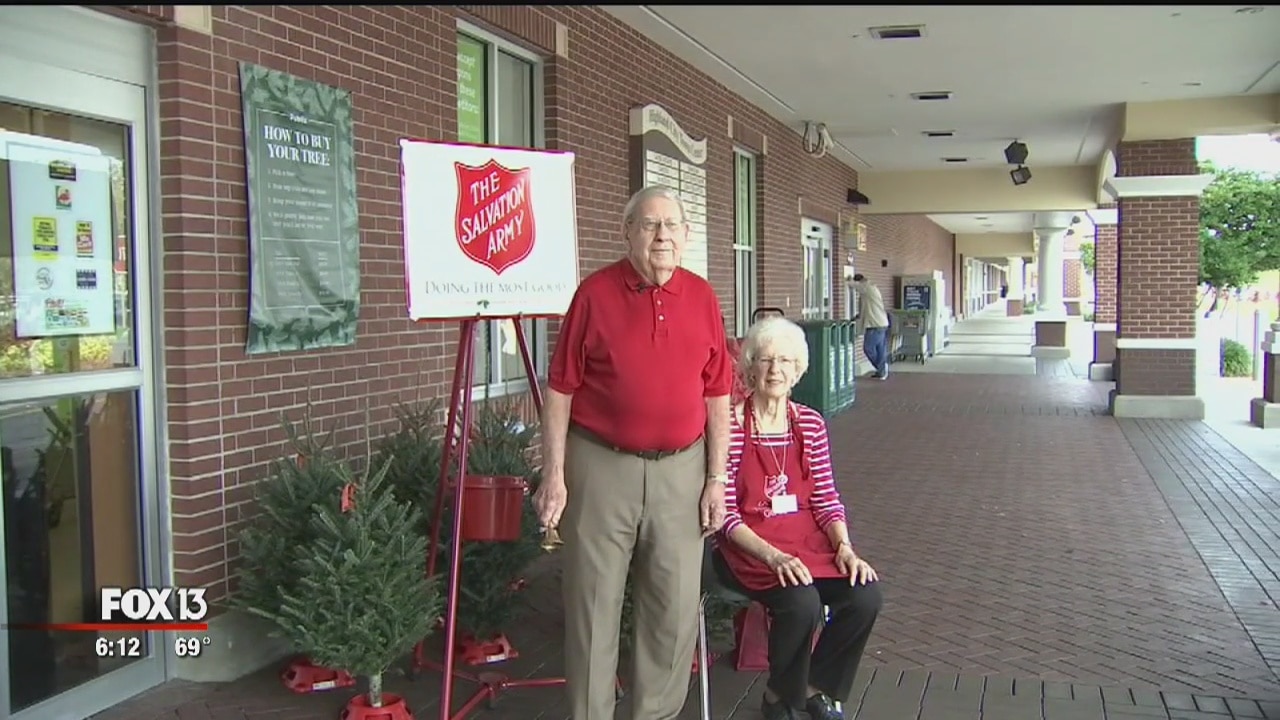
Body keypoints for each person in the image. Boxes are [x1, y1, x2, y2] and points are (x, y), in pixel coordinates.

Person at [534, 185, 733, 720]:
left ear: (687, 235)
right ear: (627, 233)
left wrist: (717, 478)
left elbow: (717, 395)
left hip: (682, 472)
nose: (661, 235)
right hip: (601, 466)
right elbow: (561, 389)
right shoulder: (594, 294)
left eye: (671, 225)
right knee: (594, 608)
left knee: (671, 613)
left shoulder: (703, 297)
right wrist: (553, 473)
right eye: (648, 225)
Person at [714, 316, 882, 720]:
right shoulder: (731, 427)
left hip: (808, 544)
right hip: (749, 548)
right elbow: (724, 515)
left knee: (865, 596)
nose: (775, 370)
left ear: (798, 370)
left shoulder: (810, 423)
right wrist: (773, 557)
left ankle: (811, 688)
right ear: (749, 366)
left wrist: (844, 547)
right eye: (766, 360)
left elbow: (826, 499)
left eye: (785, 362)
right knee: (802, 603)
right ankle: (780, 699)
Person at [850, 274, 890, 380]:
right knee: (880, 349)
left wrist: (846, 279)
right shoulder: (870, 290)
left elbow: (852, 285)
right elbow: (867, 308)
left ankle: (881, 368)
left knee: (868, 348)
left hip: (874, 324)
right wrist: (857, 317)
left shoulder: (867, 287)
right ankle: (881, 371)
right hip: (881, 323)